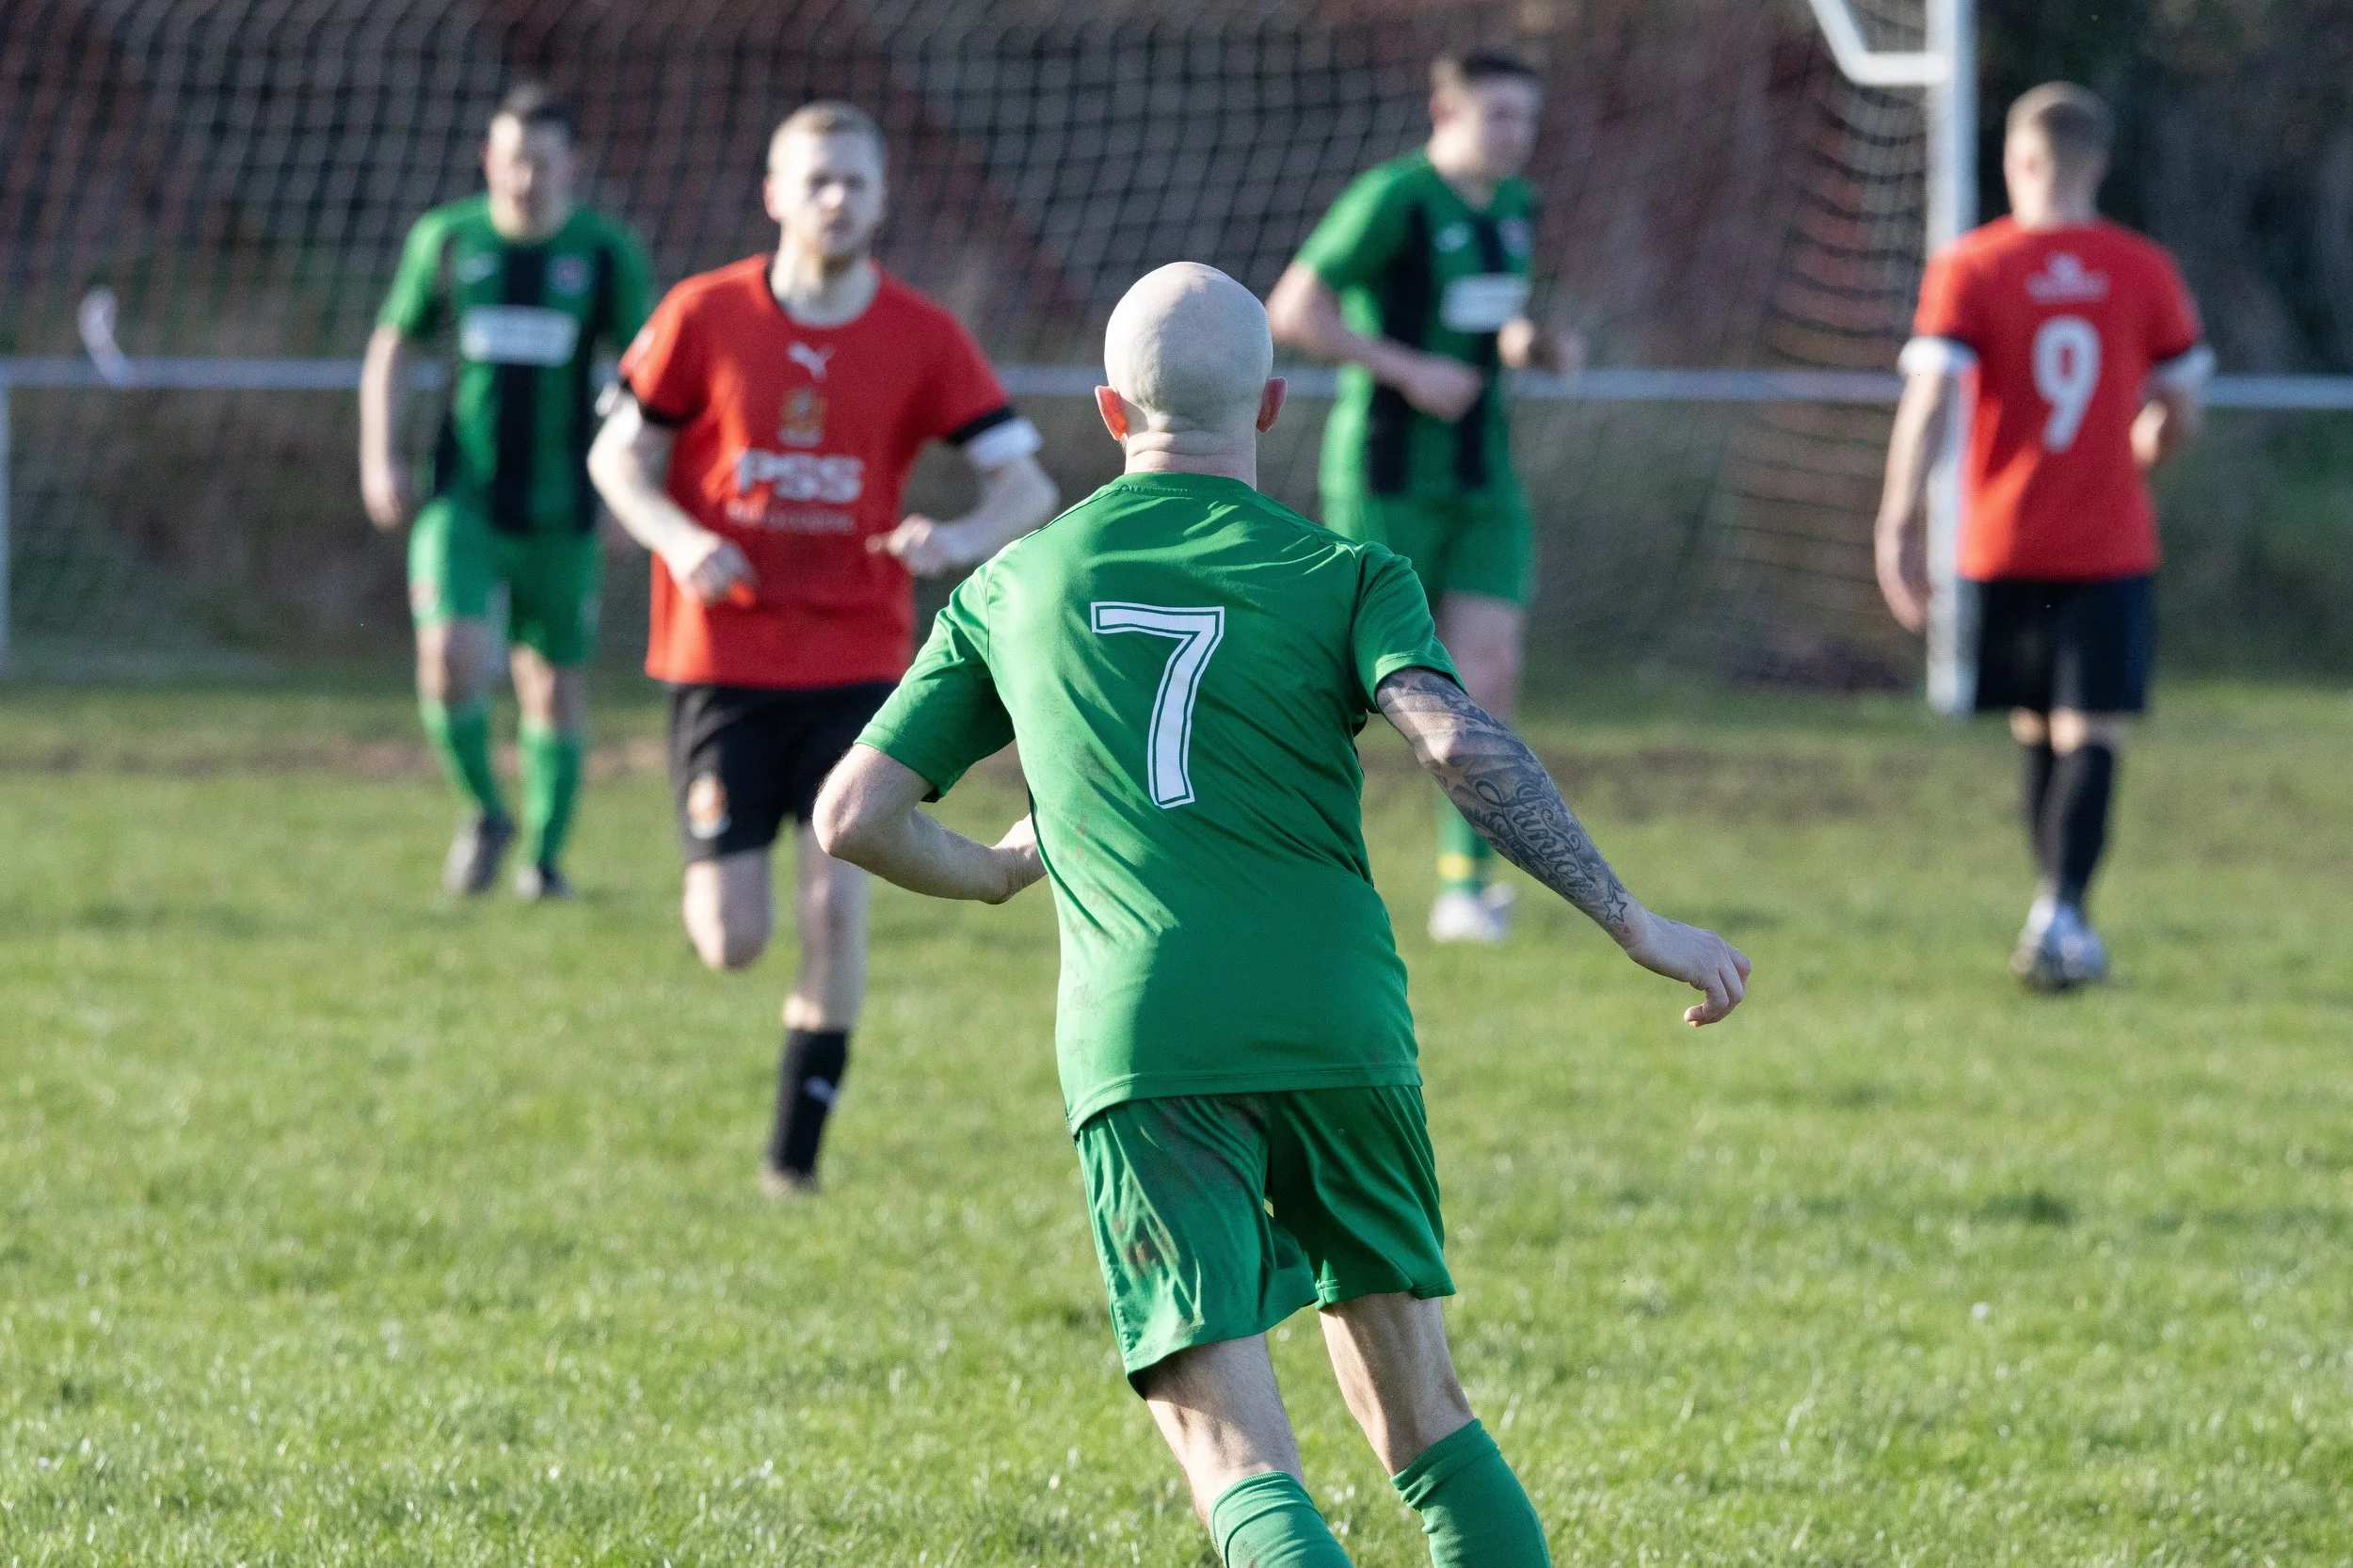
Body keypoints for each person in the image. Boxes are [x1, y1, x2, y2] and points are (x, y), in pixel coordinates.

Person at [814, 263, 1747, 1568]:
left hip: (1148, 1038)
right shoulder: (1349, 573)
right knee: (1424, 1420)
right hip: (1339, 1023)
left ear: (1104, 409)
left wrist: (998, 869)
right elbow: (1460, 748)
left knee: (1241, 1459)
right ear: (1270, 403)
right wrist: (1631, 919)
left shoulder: (1012, 583)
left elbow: (851, 813)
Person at [587, 102, 1058, 1197]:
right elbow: (620, 459)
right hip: (721, 663)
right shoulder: (702, 313)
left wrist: (958, 538)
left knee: (835, 902)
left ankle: (791, 1167)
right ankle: (721, 884)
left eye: (856, 180)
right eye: (817, 180)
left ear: (883, 197)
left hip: (856, 660)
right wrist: (679, 535)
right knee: (731, 938)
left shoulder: (922, 333)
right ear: (774, 193)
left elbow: (1026, 483)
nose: (837, 198)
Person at [1876, 82, 2209, 990]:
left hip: (2002, 539)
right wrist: (2148, 444)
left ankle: (2056, 911)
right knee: (2090, 731)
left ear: (2016, 158)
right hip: (2107, 542)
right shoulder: (2143, 267)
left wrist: (1898, 518)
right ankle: (2062, 911)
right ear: (2096, 163)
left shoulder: (1972, 265)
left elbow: (1931, 398)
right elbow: (2181, 410)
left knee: (2037, 729)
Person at [1267, 47, 1580, 946]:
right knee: (1353, 684)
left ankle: (1466, 888)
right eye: (1497, 115)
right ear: (1446, 115)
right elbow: (1295, 309)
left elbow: (1491, 323)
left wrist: (1535, 347)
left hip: (1484, 476)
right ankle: (1289, 859)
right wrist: (1408, 372)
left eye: (1526, 116)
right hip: (1386, 473)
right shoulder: (1393, 198)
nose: (1515, 134)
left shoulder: (1517, 208)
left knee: (1489, 675)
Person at [360, 84, 656, 900]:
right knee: (448, 655)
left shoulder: (604, 253)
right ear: (489, 160)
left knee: (550, 682)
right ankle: (485, 811)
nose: (525, 176)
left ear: (572, 166)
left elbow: (649, 379)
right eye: (512, 158)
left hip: (563, 511)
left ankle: (546, 859)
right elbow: (392, 342)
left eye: (542, 160)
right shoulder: (449, 240)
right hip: (463, 502)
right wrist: (378, 454)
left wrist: (639, 491)